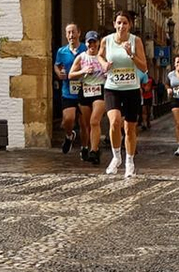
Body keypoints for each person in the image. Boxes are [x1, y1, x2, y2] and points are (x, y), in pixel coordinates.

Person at [102, 10, 148, 178]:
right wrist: (103, 64)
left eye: (125, 23)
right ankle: (116, 157)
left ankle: (129, 162)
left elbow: (144, 67)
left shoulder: (136, 41)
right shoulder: (106, 40)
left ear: (130, 25)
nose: (121, 26)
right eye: (119, 23)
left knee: (129, 128)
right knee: (114, 122)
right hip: (112, 87)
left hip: (131, 89)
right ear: (114, 24)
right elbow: (99, 56)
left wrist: (131, 55)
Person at [67, 31, 108, 165]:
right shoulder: (81, 57)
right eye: (89, 42)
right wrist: (83, 71)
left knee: (94, 121)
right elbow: (70, 75)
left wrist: (108, 71)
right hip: (85, 91)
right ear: (85, 43)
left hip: (100, 90)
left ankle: (94, 151)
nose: (92, 45)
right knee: (86, 124)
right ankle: (90, 147)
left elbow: (111, 70)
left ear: (98, 43)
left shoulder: (103, 57)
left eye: (94, 42)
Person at [54, 23, 86, 155]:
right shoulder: (61, 51)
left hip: (85, 90)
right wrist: (59, 73)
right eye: (68, 33)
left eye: (73, 32)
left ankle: (85, 148)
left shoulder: (85, 48)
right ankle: (69, 135)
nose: (71, 35)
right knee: (68, 119)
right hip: (68, 91)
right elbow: (57, 65)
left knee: (84, 123)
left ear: (79, 33)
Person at [165, 62, 179, 152]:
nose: (178, 64)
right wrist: (168, 89)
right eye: (177, 62)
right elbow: (167, 84)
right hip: (175, 99)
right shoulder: (171, 74)